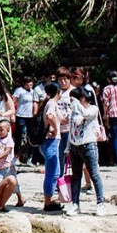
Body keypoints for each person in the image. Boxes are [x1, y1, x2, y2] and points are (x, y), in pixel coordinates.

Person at [69, 86, 106, 209]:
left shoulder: (93, 109)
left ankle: (100, 203)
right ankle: (75, 204)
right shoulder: (75, 110)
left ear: (83, 98)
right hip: (75, 146)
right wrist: (68, 147)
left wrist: (77, 104)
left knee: (94, 175)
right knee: (76, 176)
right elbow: (73, 126)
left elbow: (86, 114)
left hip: (89, 145)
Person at [40, 75, 73, 210]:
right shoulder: (52, 104)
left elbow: (63, 120)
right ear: (58, 92)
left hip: (52, 142)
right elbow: (50, 116)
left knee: (56, 171)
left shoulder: (50, 103)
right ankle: (47, 202)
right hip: (51, 141)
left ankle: (50, 199)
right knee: (52, 173)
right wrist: (53, 127)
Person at [0, 116, 23, 210]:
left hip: (8, 167)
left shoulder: (9, 140)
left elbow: (6, 152)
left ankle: (20, 199)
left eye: (1, 130)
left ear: (8, 130)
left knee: (14, 185)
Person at [12, 76, 40, 166]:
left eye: (30, 82)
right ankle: (16, 157)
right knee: (20, 137)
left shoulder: (33, 92)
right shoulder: (19, 90)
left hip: (30, 117)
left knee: (30, 138)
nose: (29, 84)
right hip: (21, 116)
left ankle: (29, 158)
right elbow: (13, 102)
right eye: (27, 82)